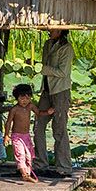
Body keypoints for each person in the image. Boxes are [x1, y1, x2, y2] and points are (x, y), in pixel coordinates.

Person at [34, 29, 74, 172]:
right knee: (38, 126)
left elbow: (63, 72)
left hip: (60, 91)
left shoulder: (66, 48)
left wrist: (42, 69)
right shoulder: (47, 44)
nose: (49, 31)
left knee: (59, 129)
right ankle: (40, 164)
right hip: (46, 90)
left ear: (59, 31)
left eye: (52, 29)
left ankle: (63, 167)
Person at [5, 84, 49, 183]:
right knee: (20, 154)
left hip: (26, 136)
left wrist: (48, 112)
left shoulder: (31, 106)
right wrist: (6, 135)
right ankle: (24, 174)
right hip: (17, 136)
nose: (25, 100)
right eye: (22, 98)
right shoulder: (14, 109)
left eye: (27, 98)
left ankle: (28, 173)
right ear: (17, 98)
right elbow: (8, 122)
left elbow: (39, 113)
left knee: (29, 156)